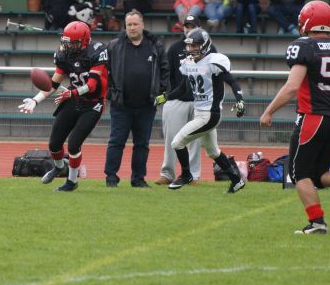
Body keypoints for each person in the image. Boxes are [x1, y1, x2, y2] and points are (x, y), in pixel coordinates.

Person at [260, 1, 330, 234]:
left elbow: (292, 87)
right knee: (319, 174)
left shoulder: (305, 46)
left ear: (306, 22)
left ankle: (317, 223)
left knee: (299, 174)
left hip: (313, 118)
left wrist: (269, 110)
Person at [18, 21, 108, 192]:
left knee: (73, 144)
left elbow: (92, 85)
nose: (68, 46)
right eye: (67, 42)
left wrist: (72, 93)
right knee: (54, 144)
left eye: (72, 42)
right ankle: (59, 167)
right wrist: (35, 100)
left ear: (83, 41)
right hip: (73, 98)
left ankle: (71, 182)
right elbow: (53, 84)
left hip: (93, 103)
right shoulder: (64, 54)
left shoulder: (96, 51)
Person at [158, 28, 246, 193]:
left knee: (177, 142)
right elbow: (183, 88)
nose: (191, 49)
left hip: (210, 114)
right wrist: (166, 96)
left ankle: (186, 175)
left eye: (195, 45)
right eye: (189, 45)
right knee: (213, 151)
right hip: (200, 113)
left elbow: (232, 82)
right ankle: (236, 180)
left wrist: (239, 100)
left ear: (205, 45)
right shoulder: (189, 63)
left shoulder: (213, 62)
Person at [103, 10, 167, 188]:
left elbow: (165, 72)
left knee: (142, 144)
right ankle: (111, 177)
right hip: (121, 105)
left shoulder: (155, 46)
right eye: (129, 24)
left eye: (135, 24)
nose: (132, 27)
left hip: (147, 106)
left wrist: (161, 95)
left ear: (142, 25)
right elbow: (104, 72)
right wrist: (111, 94)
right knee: (116, 142)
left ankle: (138, 179)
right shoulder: (114, 45)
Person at [155, 15, 210, 185]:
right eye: (186, 26)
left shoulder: (209, 48)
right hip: (177, 99)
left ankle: (193, 175)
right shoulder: (175, 48)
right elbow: (167, 73)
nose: (189, 29)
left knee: (195, 139)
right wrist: (167, 94)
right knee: (171, 138)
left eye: (192, 26)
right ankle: (167, 173)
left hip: (199, 100)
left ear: (199, 28)